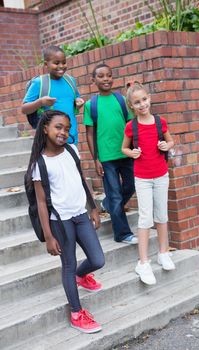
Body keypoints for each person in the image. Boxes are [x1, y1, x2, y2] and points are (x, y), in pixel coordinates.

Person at [25, 110, 105, 333]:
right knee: (68, 264)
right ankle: (77, 313)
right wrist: (49, 237)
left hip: (80, 214)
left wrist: (93, 208)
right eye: (58, 127)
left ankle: (82, 275)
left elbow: (81, 180)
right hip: (60, 221)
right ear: (45, 129)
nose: (63, 132)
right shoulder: (39, 165)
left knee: (98, 260)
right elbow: (41, 203)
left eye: (67, 128)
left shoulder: (72, 150)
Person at [122, 82, 175, 286]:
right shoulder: (131, 126)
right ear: (131, 106)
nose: (142, 104)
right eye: (137, 102)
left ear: (149, 98)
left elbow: (171, 142)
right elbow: (124, 148)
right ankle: (143, 262)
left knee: (162, 215)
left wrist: (165, 144)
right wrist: (131, 152)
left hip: (161, 175)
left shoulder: (160, 122)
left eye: (144, 99)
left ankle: (163, 253)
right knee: (145, 218)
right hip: (142, 178)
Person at [83, 63, 137, 244]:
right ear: (93, 80)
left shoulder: (121, 100)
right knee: (114, 194)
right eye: (101, 76)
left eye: (109, 75)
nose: (106, 79)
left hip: (126, 153)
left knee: (131, 185)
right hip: (107, 158)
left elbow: (131, 127)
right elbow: (89, 133)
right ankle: (122, 234)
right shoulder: (91, 105)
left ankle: (108, 205)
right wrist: (95, 158)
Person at [22, 45, 84, 145]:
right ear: (46, 65)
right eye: (56, 63)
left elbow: (74, 102)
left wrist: (78, 103)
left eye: (64, 62)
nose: (61, 66)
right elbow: (24, 109)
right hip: (50, 142)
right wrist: (40, 102)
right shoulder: (39, 83)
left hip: (71, 138)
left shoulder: (71, 81)